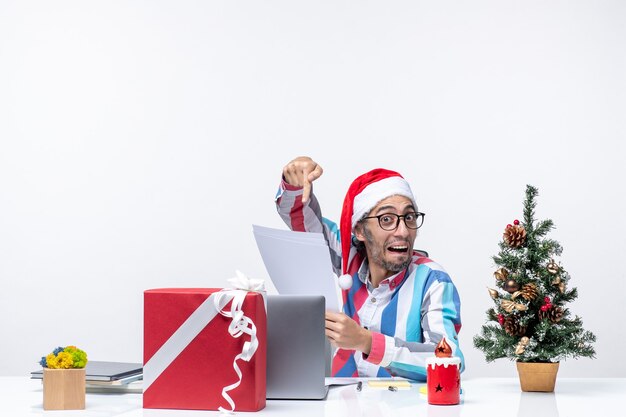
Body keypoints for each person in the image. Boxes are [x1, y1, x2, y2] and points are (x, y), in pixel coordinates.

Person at [275, 156, 464, 381]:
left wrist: (366, 342)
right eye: (387, 219)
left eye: (409, 217)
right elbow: (302, 223)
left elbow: (449, 360)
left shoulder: (432, 280)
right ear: (360, 231)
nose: (403, 231)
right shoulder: (349, 260)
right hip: (342, 400)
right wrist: (294, 184)